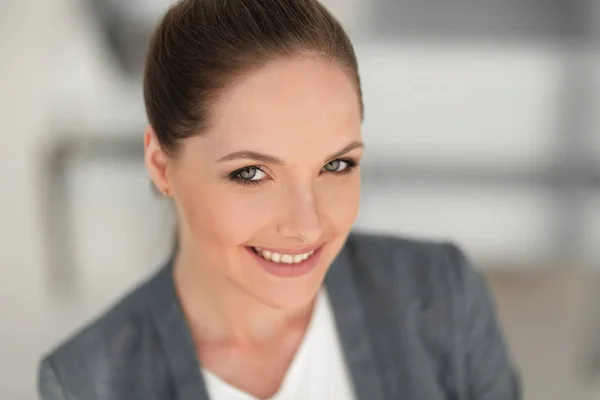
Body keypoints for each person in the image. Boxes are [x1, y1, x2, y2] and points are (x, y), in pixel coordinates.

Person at [38, 0, 521, 399]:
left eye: (336, 165)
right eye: (252, 173)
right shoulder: (89, 382)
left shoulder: (442, 297)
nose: (307, 225)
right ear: (162, 165)